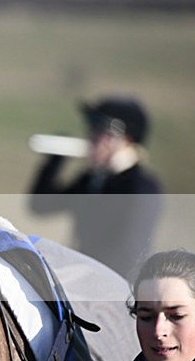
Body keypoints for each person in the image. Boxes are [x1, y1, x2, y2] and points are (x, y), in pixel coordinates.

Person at [29, 96, 163, 277]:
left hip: (116, 289)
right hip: (81, 281)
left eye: (102, 132)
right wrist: (54, 163)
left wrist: (79, 274)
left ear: (126, 140)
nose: (92, 138)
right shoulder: (92, 180)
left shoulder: (141, 187)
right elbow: (41, 206)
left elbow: (128, 252)